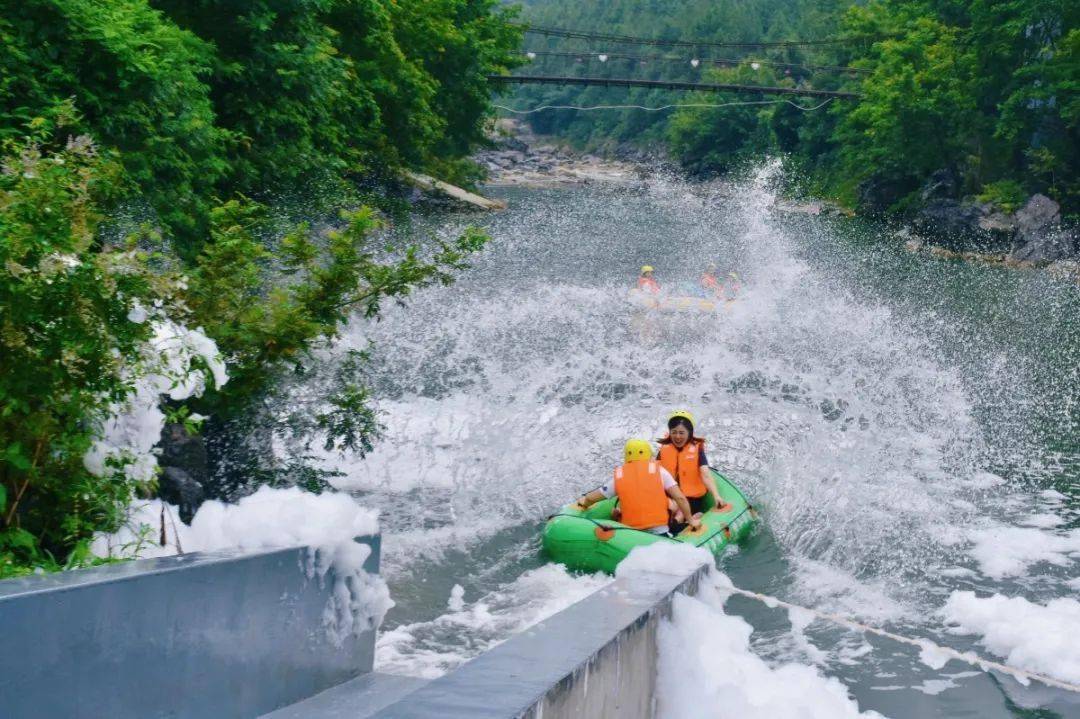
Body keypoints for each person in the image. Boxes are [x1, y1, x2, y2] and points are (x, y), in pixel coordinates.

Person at [577, 439, 700, 535]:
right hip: (659, 532)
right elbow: (680, 498)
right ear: (649, 455)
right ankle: (692, 519)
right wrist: (690, 520)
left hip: (631, 533)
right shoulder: (659, 471)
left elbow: (592, 498)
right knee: (677, 515)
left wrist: (585, 503)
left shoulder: (619, 475)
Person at [657, 410, 723, 521]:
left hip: (690, 498)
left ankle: (682, 523)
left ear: (690, 433)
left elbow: (705, 474)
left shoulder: (697, 449)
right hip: (671, 496)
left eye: (681, 433)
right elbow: (655, 473)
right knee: (669, 508)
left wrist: (716, 496)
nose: (677, 436)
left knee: (678, 514)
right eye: (674, 432)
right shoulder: (665, 448)